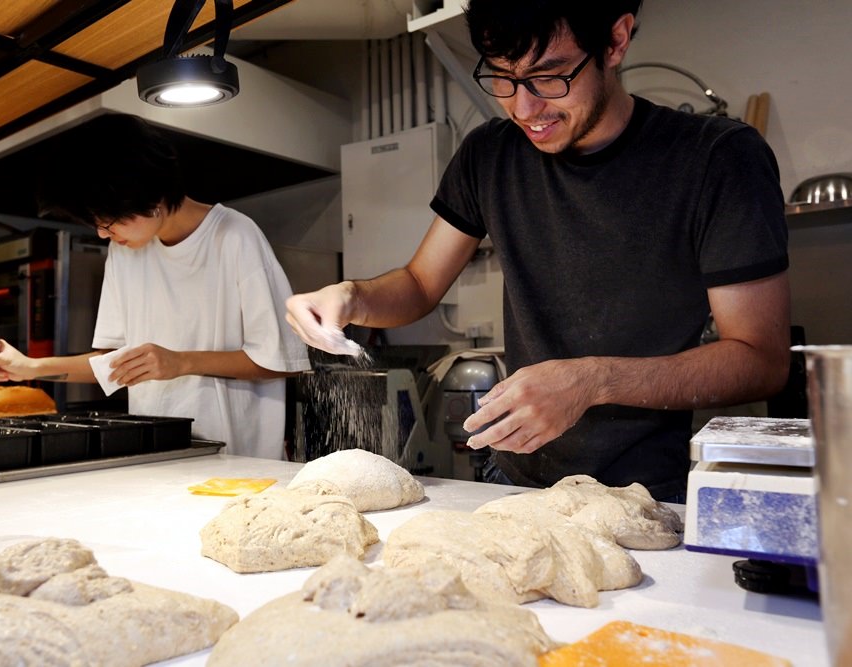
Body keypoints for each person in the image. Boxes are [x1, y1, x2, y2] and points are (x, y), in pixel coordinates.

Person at [285, 1, 791, 500]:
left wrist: (592, 381)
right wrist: (351, 296)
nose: (523, 109)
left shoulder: (716, 159)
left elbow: (760, 360)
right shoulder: (489, 155)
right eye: (503, 77)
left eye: (549, 77)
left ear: (615, 41)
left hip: (647, 494)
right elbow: (419, 285)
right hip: (512, 482)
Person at [0, 113, 310, 459]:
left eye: (109, 221)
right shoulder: (122, 253)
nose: (104, 233)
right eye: (96, 223)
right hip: (159, 457)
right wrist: (29, 366)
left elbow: (282, 360)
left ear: (152, 199)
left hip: (239, 465)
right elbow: (116, 363)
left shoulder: (235, 237)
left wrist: (180, 362)